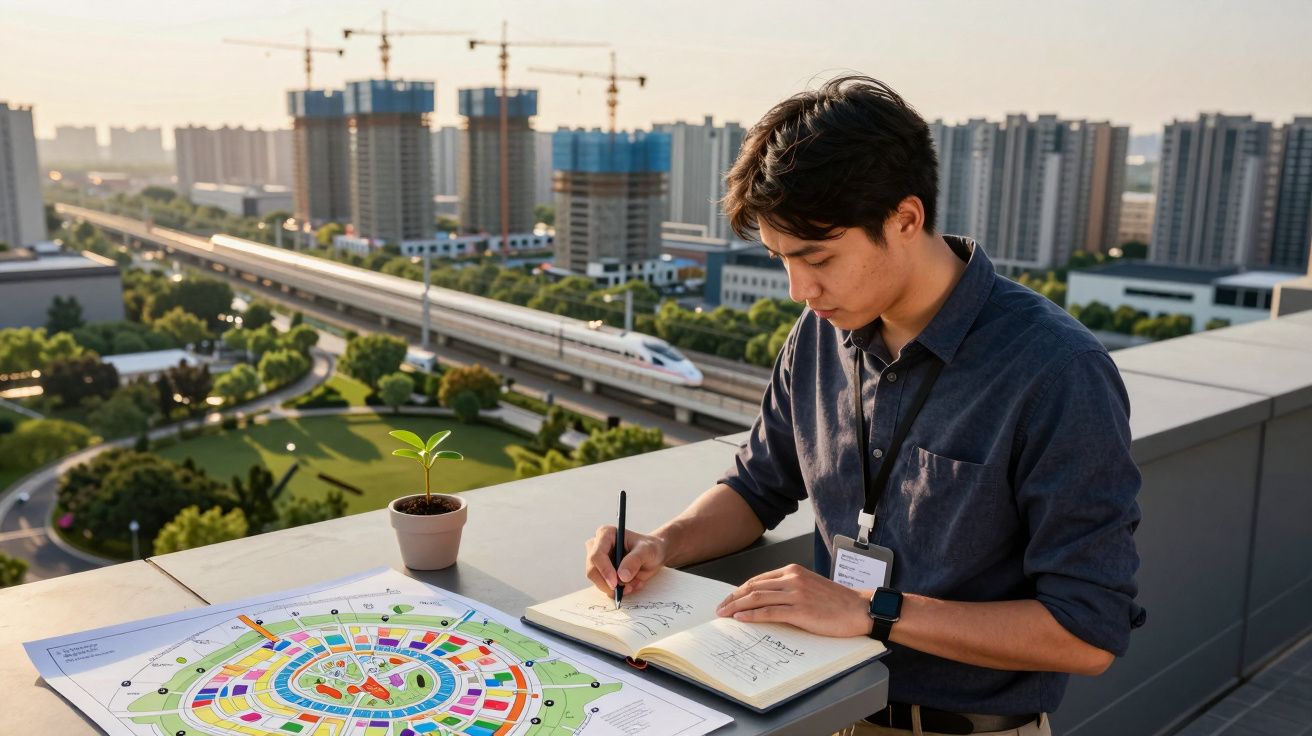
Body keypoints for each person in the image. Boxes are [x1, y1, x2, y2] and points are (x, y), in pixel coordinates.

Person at [584, 75, 1145, 736]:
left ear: (906, 219)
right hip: (819, 710)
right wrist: (664, 542)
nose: (800, 289)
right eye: (779, 259)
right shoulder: (823, 332)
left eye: (817, 257)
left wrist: (873, 609)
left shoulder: (1056, 372)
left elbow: (1087, 631)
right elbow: (758, 485)